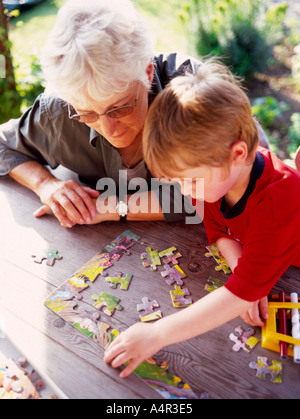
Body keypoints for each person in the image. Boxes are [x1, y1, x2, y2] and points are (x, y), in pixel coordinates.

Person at [104, 59, 300, 378]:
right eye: (175, 181)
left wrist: (156, 334)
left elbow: (237, 297)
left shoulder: (280, 201)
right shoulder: (215, 183)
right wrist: (246, 269)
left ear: (236, 154)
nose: (184, 191)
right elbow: (216, 227)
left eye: (186, 180)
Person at [0, 0, 268, 228]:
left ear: (148, 73)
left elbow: (250, 172)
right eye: (88, 114)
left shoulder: (194, 95)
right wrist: (46, 185)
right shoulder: (60, 110)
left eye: (120, 107)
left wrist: (108, 207)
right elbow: (4, 145)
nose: (109, 128)